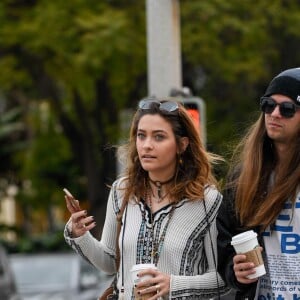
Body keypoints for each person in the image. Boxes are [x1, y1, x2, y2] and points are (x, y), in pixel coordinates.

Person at [64, 96, 228, 299]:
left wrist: (174, 284)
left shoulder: (206, 201)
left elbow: (223, 277)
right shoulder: (121, 191)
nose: (147, 145)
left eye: (159, 137)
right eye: (141, 136)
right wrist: (80, 235)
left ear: (182, 144)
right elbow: (109, 262)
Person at [217, 67, 300, 299]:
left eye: (287, 109)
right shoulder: (244, 178)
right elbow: (224, 243)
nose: (274, 114)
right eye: (268, 105)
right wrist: (235, 271)